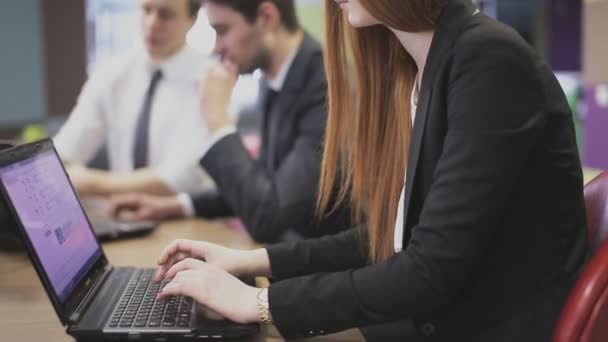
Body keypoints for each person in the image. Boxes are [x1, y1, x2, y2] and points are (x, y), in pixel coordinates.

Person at [151, 0, 588, 341]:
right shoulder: (425, 67)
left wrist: (260, 303)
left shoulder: (488, 60)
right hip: (440, 320)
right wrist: (248, 260)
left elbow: (428, 271)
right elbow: (391, 234)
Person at [111, 0, 350, 243]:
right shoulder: (274, 78)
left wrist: (217, 118)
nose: (216, 48)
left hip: (331, 268)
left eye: (222, 30)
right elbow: (266, 184)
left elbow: (268, 217)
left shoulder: (327, 87)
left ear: (267, 17)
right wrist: (176, 206)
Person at [53, 0, 210, 197]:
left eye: (166, 15)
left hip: (188, 220)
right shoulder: (113, 73)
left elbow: (180, 177)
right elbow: (67, 148)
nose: (152, 23)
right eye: (146, 10)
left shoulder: (209, 80)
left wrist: (93, 183)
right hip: (125, 215)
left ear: (192, 20)